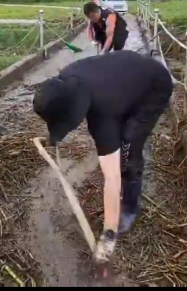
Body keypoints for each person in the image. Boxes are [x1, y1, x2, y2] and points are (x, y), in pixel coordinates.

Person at [32, 50, 173, 274]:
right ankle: (123, 149)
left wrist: (108, 237)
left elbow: (112, 180)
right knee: (116, 142)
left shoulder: (102, 113)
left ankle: (130, 206)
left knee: (128, 144)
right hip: (125, 76)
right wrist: (53, 136)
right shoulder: (67, 78)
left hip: (154, 85)